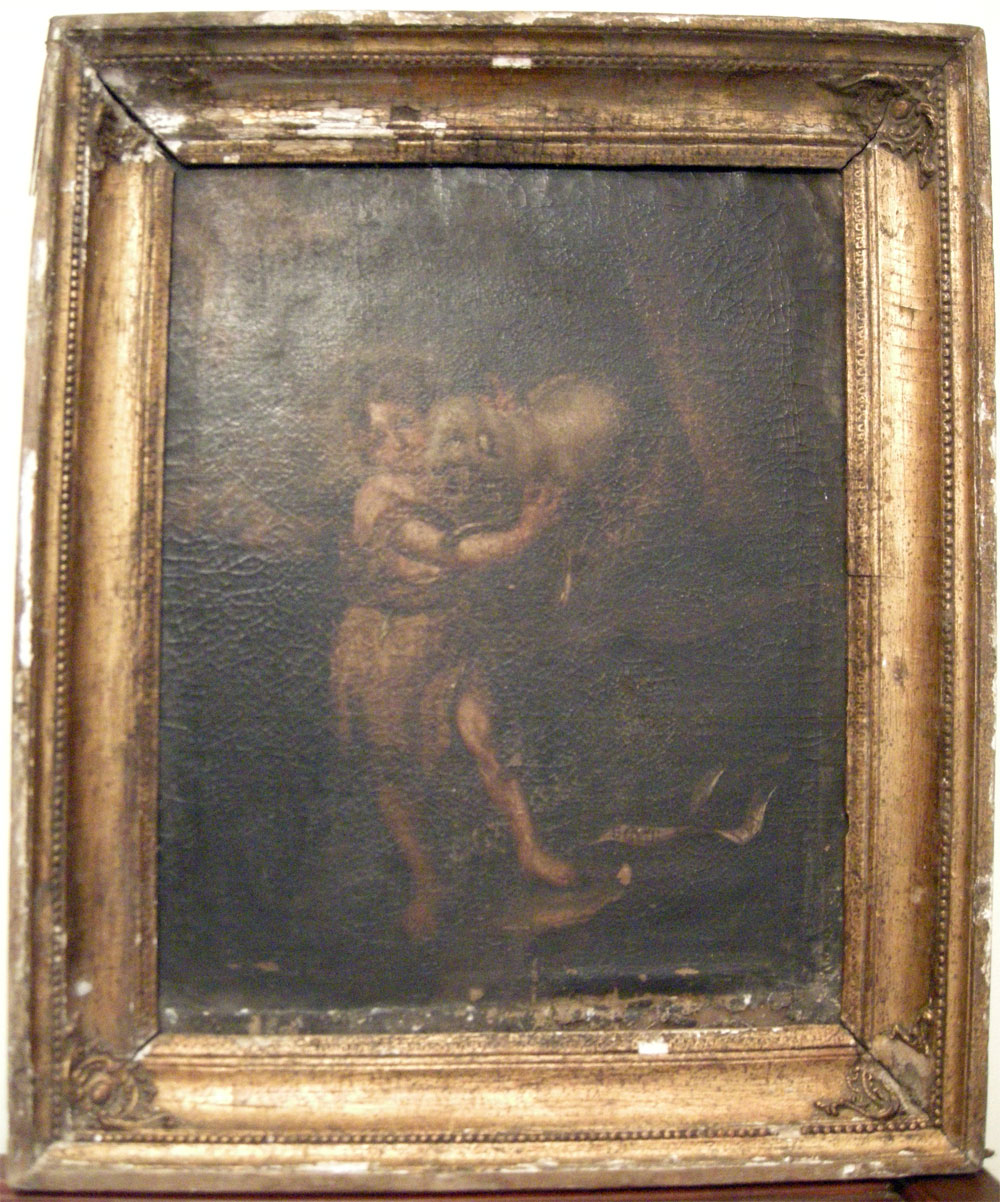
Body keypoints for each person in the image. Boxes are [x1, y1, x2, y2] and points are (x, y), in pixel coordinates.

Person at [332, 389, 573, 940]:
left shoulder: (443, 475)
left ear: (432, 418)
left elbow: (503, 464)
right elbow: (452, 550)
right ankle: (427, 884)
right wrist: (524, 533)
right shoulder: (377, 497)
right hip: (387, 648)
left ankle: (529, 850)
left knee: (485, 736)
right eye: (379, 435)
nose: (396, 443)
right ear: (365, 448)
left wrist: (505, 422)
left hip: (446, 636)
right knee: (394, 767)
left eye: (405, 422)